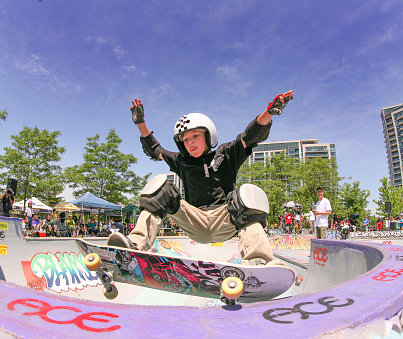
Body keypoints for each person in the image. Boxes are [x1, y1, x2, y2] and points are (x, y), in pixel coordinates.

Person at [108, 91, 293, 266]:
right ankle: (136, 245)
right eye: (186, 140)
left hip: (225, 219)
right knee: (161, 186)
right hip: (194, 220)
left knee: (246, 193)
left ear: (208, 135)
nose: (190, 143)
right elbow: (155, 150)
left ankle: (257, 260)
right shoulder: (181, 161)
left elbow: (251, 136)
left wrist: (269, 112)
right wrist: (141, 123)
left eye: (195, 136)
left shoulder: (226, 154)